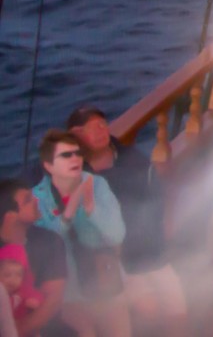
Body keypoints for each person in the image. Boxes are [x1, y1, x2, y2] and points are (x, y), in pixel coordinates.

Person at [67, 106, 188, 335]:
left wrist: (164, 231)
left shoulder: (133, 160)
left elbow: (158, 198)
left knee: (177, 309)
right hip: (112, 262)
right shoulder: (73, 175)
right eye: (91, 128)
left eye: (102, 125)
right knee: (148, 311)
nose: (101, 131)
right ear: (76, 135)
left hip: (150, 250)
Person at [32, 130, 130, 337]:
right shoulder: (38, 198)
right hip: (68, 291)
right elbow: (46, 245)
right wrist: (67, 215)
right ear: (48, 166)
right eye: (66, 155)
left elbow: (117, 235)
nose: (74, 158)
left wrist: (92, 209)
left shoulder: (97, 184)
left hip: (104, 278)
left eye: (77, 153)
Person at [0, 178, 77, 337]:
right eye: (28, 200)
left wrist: (15, 332)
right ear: (10, 216)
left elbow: (52, 300)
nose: (36, 200)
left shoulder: (49, 240)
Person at [0, 243, 44, 323]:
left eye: (18, 275)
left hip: (20, 325)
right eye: (7, 275)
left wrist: (35, 301)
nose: (13, 280)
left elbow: (35, 294)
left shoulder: (22, 291)